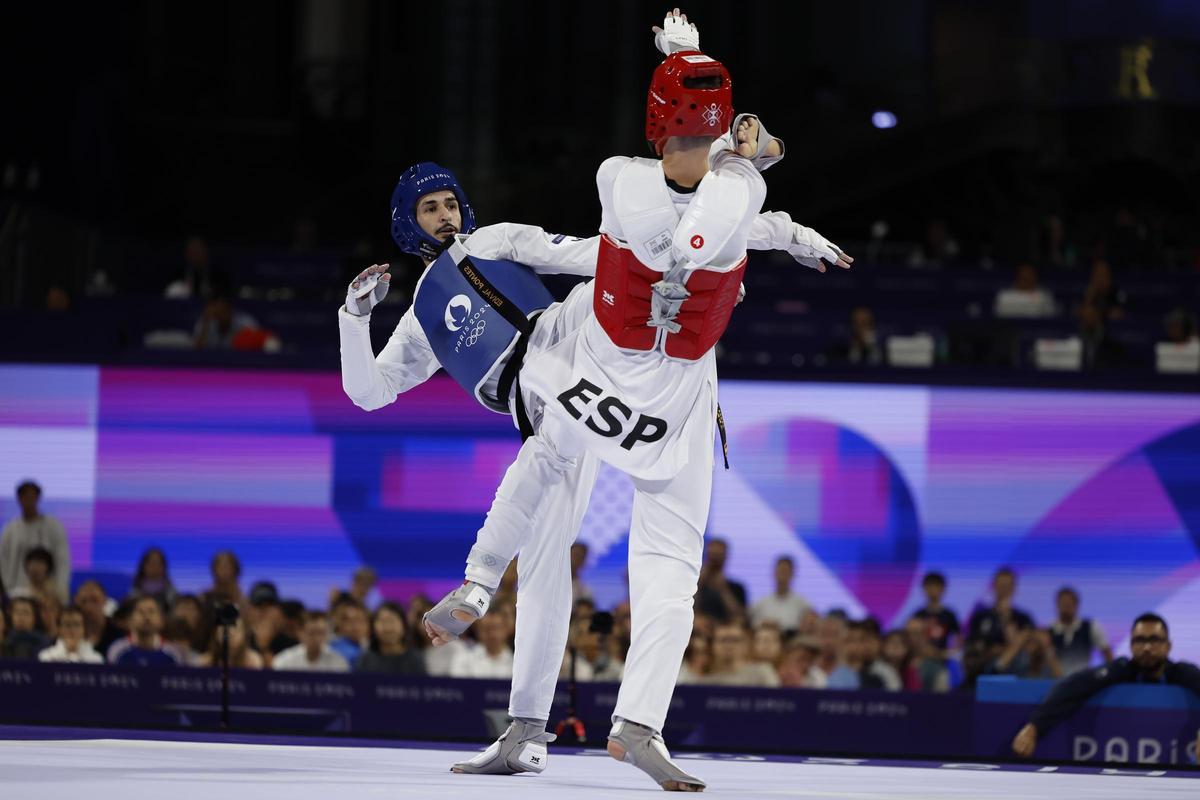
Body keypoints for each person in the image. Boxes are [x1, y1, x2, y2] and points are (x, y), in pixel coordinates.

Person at [427, 13, 852, 788]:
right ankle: (637, 724)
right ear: (726, 134)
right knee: (667, 568)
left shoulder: (616, 179)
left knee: (545, 489)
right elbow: (728, 206)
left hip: (596, 375)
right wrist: (783, 215)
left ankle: (487, 599)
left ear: (656, 122)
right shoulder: (737, 193)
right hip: (674, 401)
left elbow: (689, 183)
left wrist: (682, 63)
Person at [1012, 613, 1200, 760]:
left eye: (1154, 640)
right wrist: (1034, 727)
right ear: (1131, 645)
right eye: (1140, 641)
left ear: (1168, 646)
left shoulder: (1182, 672)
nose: (1147, 648)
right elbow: (1073, 687)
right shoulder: (1122, 669)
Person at [1, 480, 71, 603]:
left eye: (32, 497)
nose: (29, 501)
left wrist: (59, 589)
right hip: (16, 591)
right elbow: (3, 561)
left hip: (49, 592)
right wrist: (9, 588)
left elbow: (62, 560)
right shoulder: (10, 530)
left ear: (38, 498)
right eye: (25, 497)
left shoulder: (53, 526)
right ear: (19, 499)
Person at [1049, 586, 1113, 676]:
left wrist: (1110, 675)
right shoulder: (1048, 631)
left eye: (1069, 604)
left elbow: (1107, 653)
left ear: (1076, 605)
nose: (1066, 607)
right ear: (1057, 605)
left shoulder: (1090, 627)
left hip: (1083, 680)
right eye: (1063, 604)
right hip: (1056, 681)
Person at [966, 566, 1035, 648]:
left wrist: (1006, 617)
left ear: (1014, 588)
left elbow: (1028, 648)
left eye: (1007, 586)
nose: (1004, 589)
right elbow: (973, 646)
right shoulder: (980, 616)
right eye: (1001, 585)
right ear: (993, 586)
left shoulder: (1023, 618)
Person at [106, 596, 184, 667]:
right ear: (130, 620)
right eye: (140, 612)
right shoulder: (117, 650)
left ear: (161, 621)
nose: (146, 617)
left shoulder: (172, 653)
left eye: (151, 611)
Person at [355, 602, 425, 674]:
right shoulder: (365, 660)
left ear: (404, 626)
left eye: (392, 621)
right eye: (383, 621)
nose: (388, 628)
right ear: (373, 627)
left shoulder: (415, 659)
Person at [273, 611, 350, 672]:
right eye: (311, 633)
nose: (316, 638)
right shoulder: (284, 660)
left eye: (320, 633)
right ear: (300, 633)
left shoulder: (339, 662)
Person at [749, 555, 810, 632]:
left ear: (792, 574)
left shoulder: (802, 604)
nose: (782, 575)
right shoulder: (761, 603)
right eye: (780, 571)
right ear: (774, 573)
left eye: (785, 571)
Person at [694, 538, 748, 624]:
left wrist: (723, 590)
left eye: (718, 556)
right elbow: (689, 608)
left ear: (725, 557)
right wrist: (698, 584)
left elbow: (741, 617)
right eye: (712, 556)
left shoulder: (737, 588)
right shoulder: (695, 586)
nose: (715, 561)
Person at [909, 571, 960, 657]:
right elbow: (911, 639)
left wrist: (945, 654)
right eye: (929, 586)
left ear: (943, 589)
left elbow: (957, 641)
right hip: (921, 657)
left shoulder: (950, 615)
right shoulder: (917, 615)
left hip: (943, 658)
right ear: (924, 589)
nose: (932, 589)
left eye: (936, 586)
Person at [448, 614, 514, 679]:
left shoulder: (516, 661)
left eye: (496, 628)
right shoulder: (464, 658)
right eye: (487, 629)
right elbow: (458, 685)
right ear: (478, 631)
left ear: (507, 630)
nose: (492, 634)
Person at [74, 580, 125, 657]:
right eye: (84, 601)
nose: (89, 607)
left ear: (105, 600)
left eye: (94, 600)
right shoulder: (69, 633)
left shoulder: (119, 635)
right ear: (77, 602)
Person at [38, 605, 103, 663]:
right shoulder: (46, 657)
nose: (72, 630)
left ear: (84, 629)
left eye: (77, 625)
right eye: (67, 625)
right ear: (59, 629)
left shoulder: (96, 659)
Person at [196, 617, 263, 669]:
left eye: (235, 628)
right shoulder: (206, 662)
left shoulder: (253, 661)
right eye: (225, 628)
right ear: (216, 633)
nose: (231, 632)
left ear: (244, 634)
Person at [127, 547, 178, 612]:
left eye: (158, 563)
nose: (154, 567)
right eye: (151, 562)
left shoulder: (171, 594)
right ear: (143, 566)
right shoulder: (133, 593)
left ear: (164, 567)